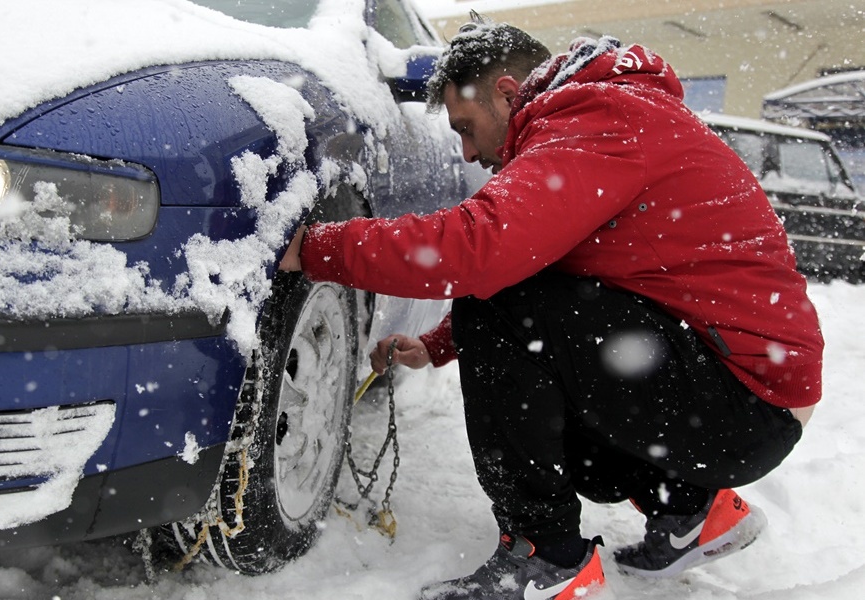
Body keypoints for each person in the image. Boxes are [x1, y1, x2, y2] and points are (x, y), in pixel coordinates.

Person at [279, 16, 823, 600]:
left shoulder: (596, 119)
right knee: (527, 344)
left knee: (496, 299)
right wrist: (436, 344)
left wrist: (313, 248)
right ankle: (692, 508)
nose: (468, 150)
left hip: (743, 399)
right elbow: (550, 264)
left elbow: (477, 252)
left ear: (509, 93)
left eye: (467, 127)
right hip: (747, 389)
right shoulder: (608, 113)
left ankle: (546, 559)